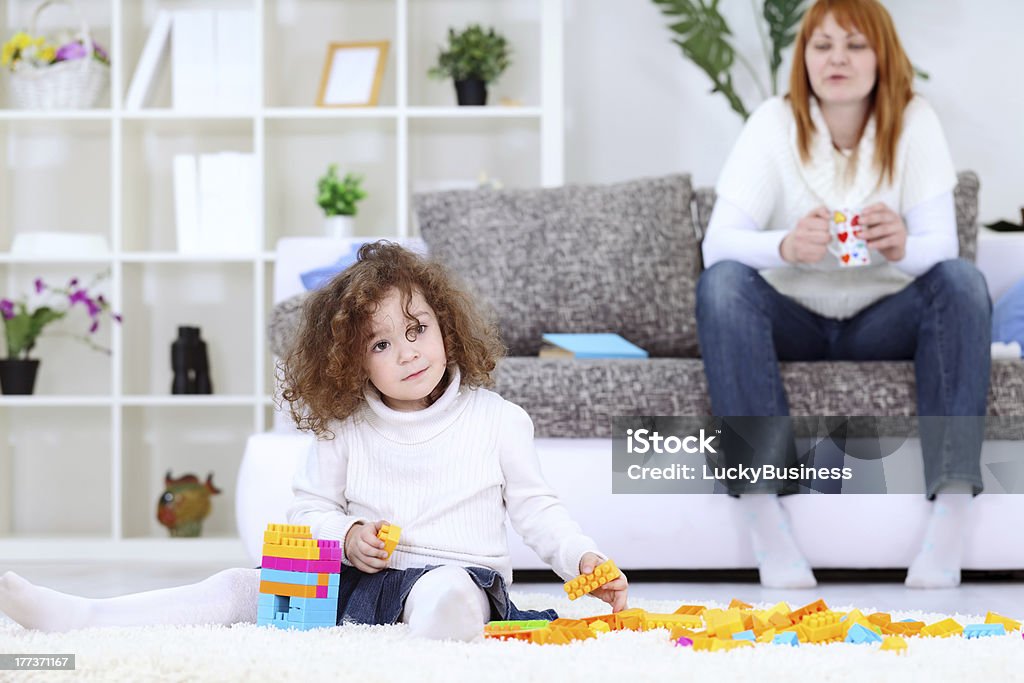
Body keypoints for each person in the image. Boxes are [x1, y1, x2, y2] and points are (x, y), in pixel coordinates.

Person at [0, 241, 628, 637]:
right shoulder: (346, 427)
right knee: (237, 586)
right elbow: (309, 510)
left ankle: (438, 641)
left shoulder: (499, 419)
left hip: (459, 577)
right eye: (381, 344)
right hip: (358, 582)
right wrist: (345, 537)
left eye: (417, 329)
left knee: (449, 594)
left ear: (447, 327)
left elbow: (537, 509)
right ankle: (82, 617)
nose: (407, 352)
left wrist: (583, 560)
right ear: (352, 362)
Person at [697, 0, 990, 589]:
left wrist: (903, 244)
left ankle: (952, 515)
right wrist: (784, 247)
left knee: (961, 282)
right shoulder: (773, 122)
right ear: (803, 57)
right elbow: (717, 244)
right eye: (822, 44)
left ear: (883, 57)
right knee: (722, 284)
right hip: (793, 318)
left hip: (884, 317)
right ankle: (764, 513)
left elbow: (945, 247)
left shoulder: (914, 120)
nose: (837, 59)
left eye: (855, 45)